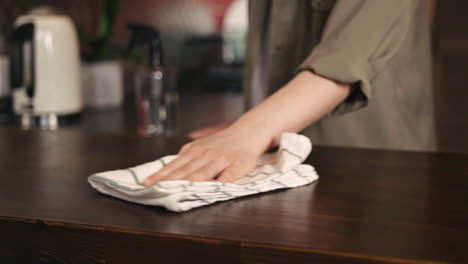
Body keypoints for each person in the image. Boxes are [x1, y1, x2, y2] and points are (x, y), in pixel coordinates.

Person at [142, 0, 435, 186]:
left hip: (369, 166)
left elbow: (342, 64)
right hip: (277, 161)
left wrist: (248, 132)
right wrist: (251, 129)